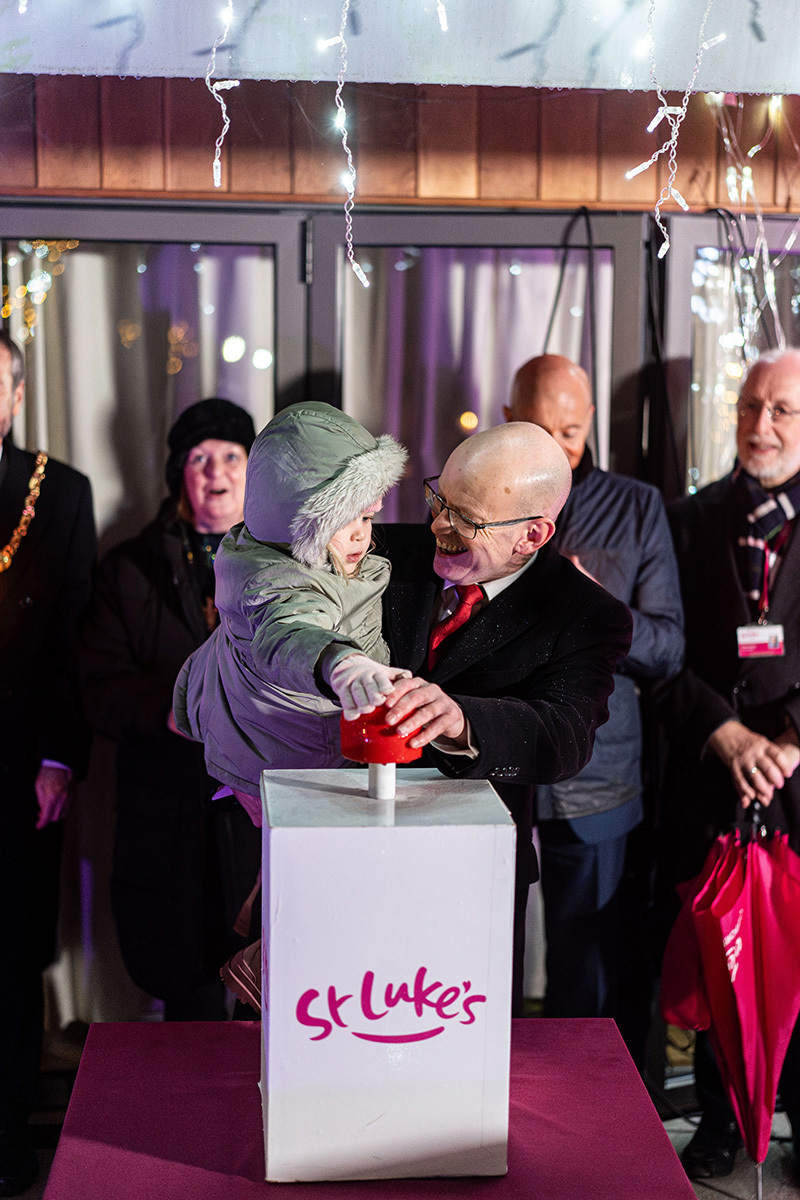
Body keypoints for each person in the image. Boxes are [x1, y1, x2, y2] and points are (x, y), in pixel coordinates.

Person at [376, 420, 634, 1016]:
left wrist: (461, 719)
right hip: (348, 846)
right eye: (439, 499)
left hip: (471, 878)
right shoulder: (380, 551)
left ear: (532, 535)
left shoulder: (585, 614)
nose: (439, 526)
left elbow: (564, 737)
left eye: (466, 519)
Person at [503, 354, 684, 1029]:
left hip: (597, 772)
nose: (555, 450)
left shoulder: (636, 507)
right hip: (495, 764)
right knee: (486, 955)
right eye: (538, 432)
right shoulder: (474, 502)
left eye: (570, 433)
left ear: (591, 424)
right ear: (508, 420)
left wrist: (597, 607)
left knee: (586, 974)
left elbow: (668, 647)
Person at [657, 347, 800, 1181]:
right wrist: (726, 734)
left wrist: (789, 742)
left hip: (797, 774)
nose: (761, 425)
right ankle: (716, 1119)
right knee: (721, 952)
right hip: (710, 772)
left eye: (781, 410)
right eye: (750, 406)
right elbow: (659, 655)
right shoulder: (686, 519)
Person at [80, 398, 261, 1021]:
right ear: (179, 474)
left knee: (272, 992)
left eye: (232, 456)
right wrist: (174, 710)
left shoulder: (293, 566)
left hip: (258, 818)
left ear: (253, 470)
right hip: (166, 815)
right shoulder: (130, 568)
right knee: (189, 1005)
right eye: (199, 458)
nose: (217, 472)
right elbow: (98, 686)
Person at [173, 401, 409, 823]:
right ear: (294, 518)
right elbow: (290, 633)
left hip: (281, 749)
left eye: (367, 516)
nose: (361, 534)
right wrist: (343, 663)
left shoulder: (264, 546)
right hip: (288, 767)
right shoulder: (277, 581)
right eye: (342, 520)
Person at [0, 331, 96, 1198]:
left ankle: (8, 1139)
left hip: (22, 759)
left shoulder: (58, 491)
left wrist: (62, 755)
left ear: (18, 395)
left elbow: (74, 638)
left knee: (13, 952)